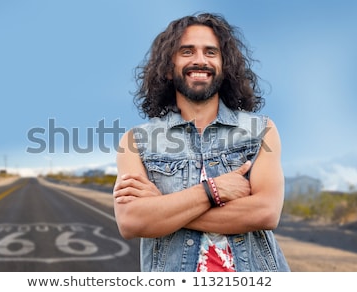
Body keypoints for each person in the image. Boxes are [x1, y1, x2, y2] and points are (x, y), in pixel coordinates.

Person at [113, 12, 290, 272]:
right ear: (168, 69)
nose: (199, 60)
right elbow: (132, 221)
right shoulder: (136, 141)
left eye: (210, 52)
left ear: (224, 65)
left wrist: (164, 207)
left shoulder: (261, 130)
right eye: (187, 52)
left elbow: (265, 212)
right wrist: (213, 190)